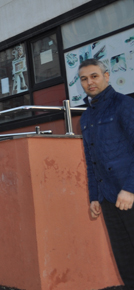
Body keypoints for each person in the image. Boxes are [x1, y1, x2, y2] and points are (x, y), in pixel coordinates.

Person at [80, 58, 134, 286]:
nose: (90, 82)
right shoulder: (86, 117)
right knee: (125, 260)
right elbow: (92, 161)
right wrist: (95, 196)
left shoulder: (124, 105)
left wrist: (130, 189)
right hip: (109, 198)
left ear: (107, 76)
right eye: (84, 79)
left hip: (129, 195)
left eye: (94, 76)